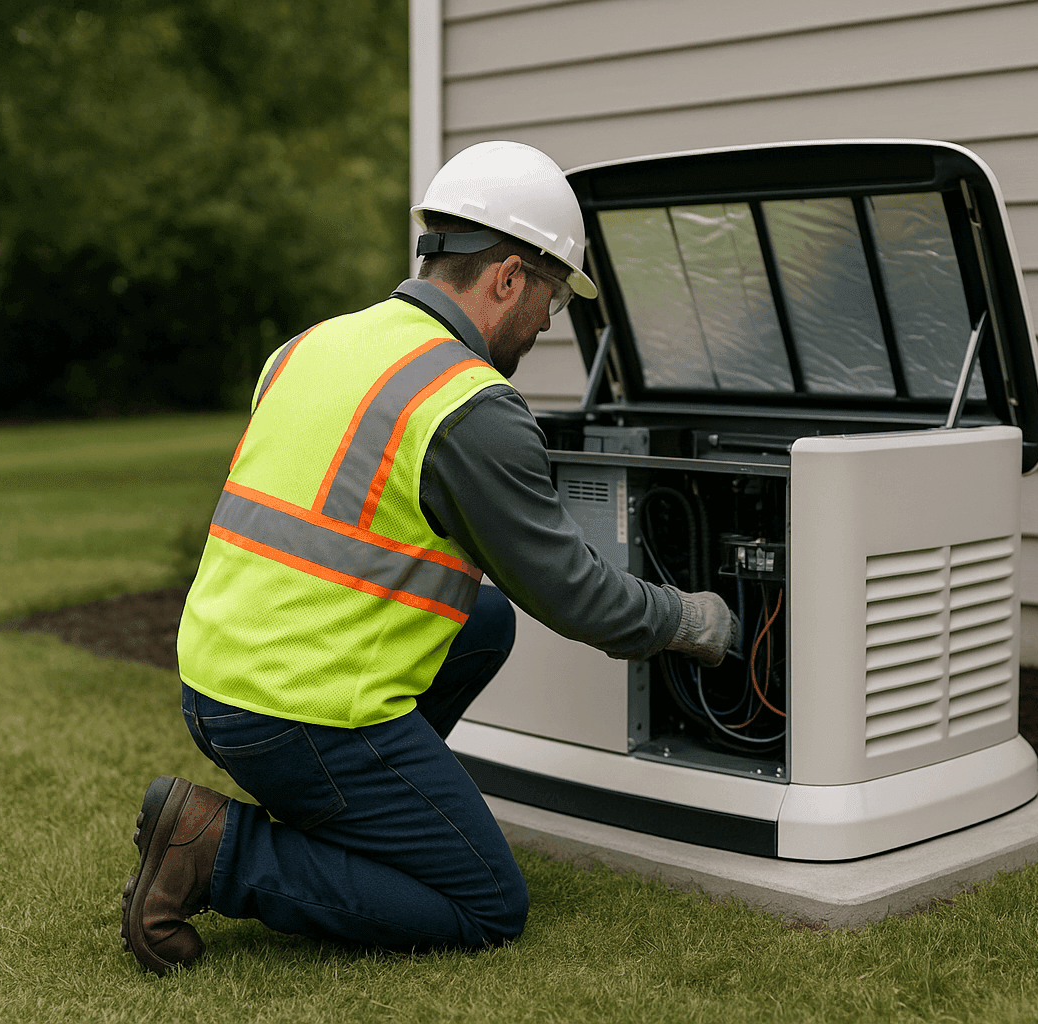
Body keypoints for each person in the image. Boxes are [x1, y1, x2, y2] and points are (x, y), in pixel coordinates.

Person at [120, 141, 737, 974]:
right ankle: (217, 850)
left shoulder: (311, 345)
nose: (550, 319)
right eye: (551, 294)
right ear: (509, 277)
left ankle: (354, 814)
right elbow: (581, 599)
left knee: (481, 620)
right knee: (484, 902)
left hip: (215, 680)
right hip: (296, 712)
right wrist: (692, 619)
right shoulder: (468, 406)